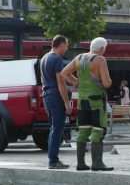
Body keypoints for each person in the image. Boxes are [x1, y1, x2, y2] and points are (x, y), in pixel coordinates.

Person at [61, 37, 113, 171]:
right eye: (105, 49)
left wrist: (76, 82)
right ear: (101, 49)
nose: (105, 51)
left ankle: (81, 164)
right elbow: (106, 83)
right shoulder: (100, 59)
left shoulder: (79, 58)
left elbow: (64, 73)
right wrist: (107, 82)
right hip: (96, 101)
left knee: (83, 131)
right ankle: (97, 164)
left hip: (82, 101)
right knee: (98, 130)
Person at [40, 35, 71, 169]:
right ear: (62, 44)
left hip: (46, 94)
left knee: (54, 128)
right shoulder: (57, 59)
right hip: (55, 95)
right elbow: (61, 81)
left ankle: (52, 158)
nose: (67, 48)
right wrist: (67, 102)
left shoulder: (44, 58)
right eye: (66, 45)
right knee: (58, 129)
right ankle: (53, 161)